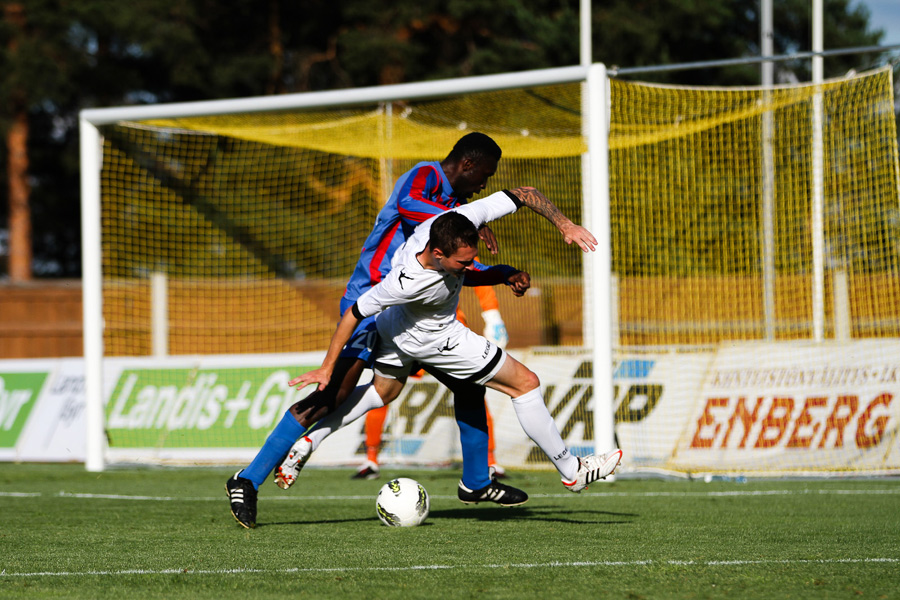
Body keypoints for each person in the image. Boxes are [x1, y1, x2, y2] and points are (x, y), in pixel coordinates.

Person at [226, 133, 527, 529]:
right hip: (371, 304)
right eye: (484, 176)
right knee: (330, 395)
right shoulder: (425, 177)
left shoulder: (455, 210)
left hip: (410, 318)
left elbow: (459, 267)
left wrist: (501, 271)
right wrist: (471, 216)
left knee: (468, 385)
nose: (484, 186)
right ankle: (247, 479)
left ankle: (476, 482)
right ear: (468, 166)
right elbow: (408, 204)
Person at [287, 187, 623, 499]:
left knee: (382, 393)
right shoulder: (405, 282)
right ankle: (572, 470)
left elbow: (525, 193)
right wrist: (328, 367)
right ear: (436, 254)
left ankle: (311, 439)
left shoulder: (450, 224)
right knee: (525, 384)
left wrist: (564, 227)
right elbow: (353, 314)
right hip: (435, 339)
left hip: (395, 332)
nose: (467, 265)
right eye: (462, 261)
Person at [352, 284, 509, 480]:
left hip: (446, 332)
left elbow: (476, 270)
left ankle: (489, 461)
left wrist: (492, 314)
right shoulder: (395, 255)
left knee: (473, 391)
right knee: (381, 390)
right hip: (403, 331)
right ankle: (370, 460)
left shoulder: (448, 254)